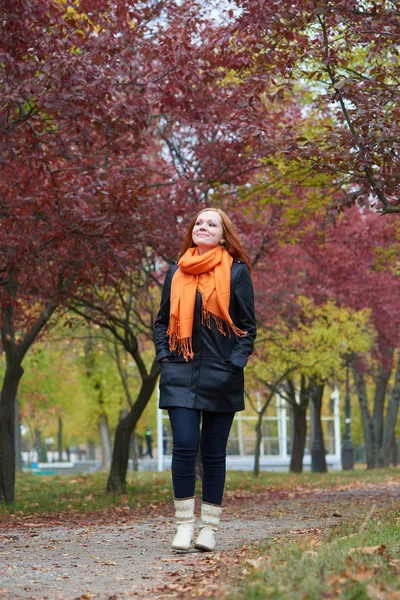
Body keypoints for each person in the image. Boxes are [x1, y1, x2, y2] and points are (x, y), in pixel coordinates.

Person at [154, 208, 256, 552]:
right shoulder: (176, 271)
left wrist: (233, 364)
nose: (203, 226)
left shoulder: (237, 272)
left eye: (211, 223)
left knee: (213, 453)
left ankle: (209, 529)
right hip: (179, 371)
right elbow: (160, 321)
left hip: (220, 374)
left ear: (223, 235)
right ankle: (184, 525)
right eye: (199, 222)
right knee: (184, 445)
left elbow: (247, 327)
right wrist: (165, 357)